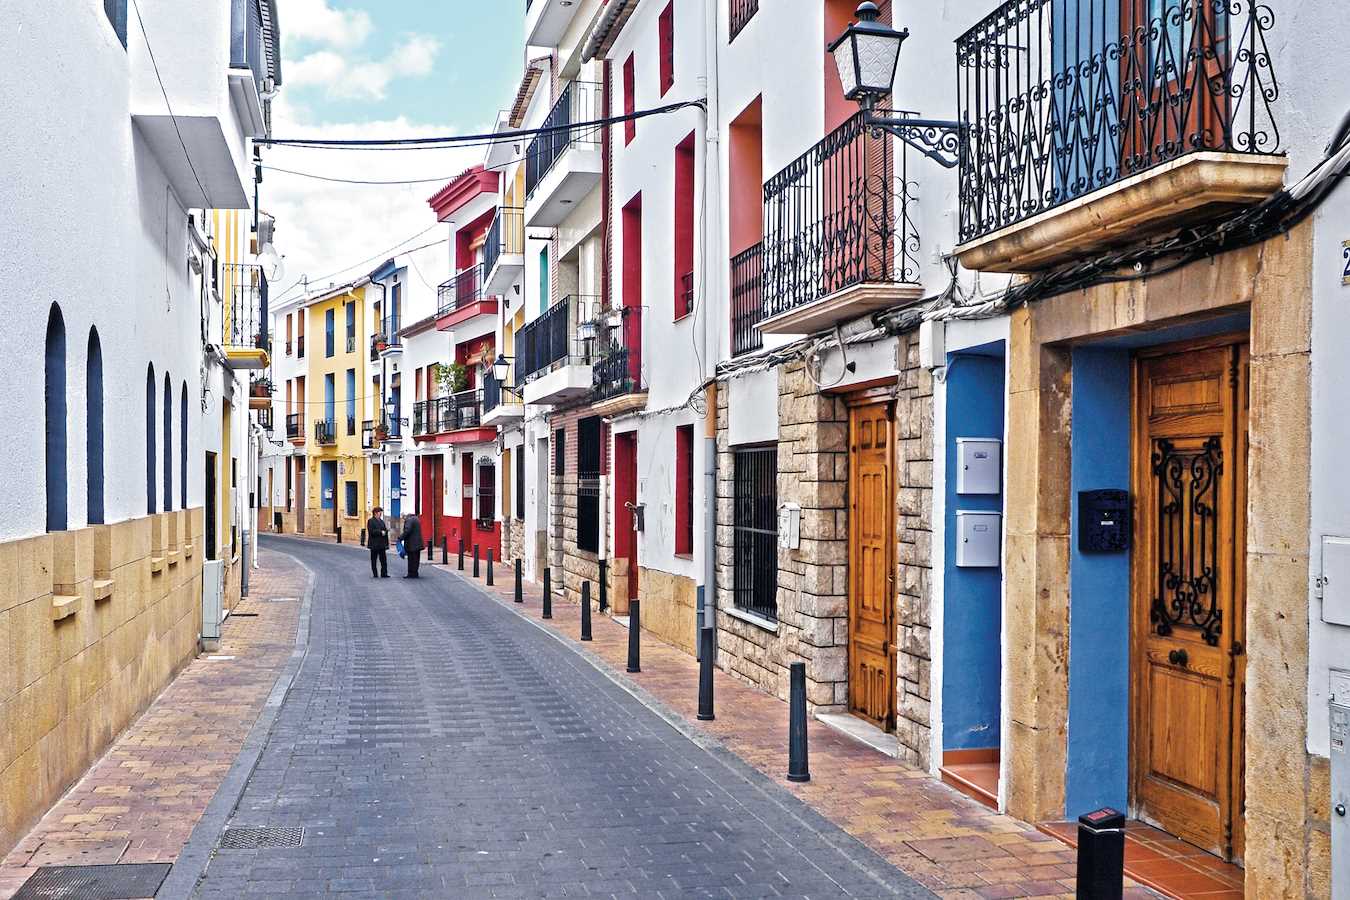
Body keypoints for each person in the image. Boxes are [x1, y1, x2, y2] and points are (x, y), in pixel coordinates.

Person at [366, 506, 390, 578]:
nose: (381, 514)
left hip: (382, 544)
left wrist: (386, 531)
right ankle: (375, 574)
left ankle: (384, 573)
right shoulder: (370, 521)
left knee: (383, 560)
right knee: (374, 560)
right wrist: (380, 532)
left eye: (381, 512)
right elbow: (371, 531)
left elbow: (384, 530)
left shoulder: (382, 521)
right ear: (375, 513)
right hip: (374, 544)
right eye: (380, 512)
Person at [400, 512, 424, 578]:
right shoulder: (416, 519)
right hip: (418, 543)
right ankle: (415, 573)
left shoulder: (409, 520)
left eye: (403, 518)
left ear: (405, 516)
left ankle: (411, 573)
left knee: (411, 559)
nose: (403, 520)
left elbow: (407, 530)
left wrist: (401, 537)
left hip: (411, 544)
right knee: (416, 559)